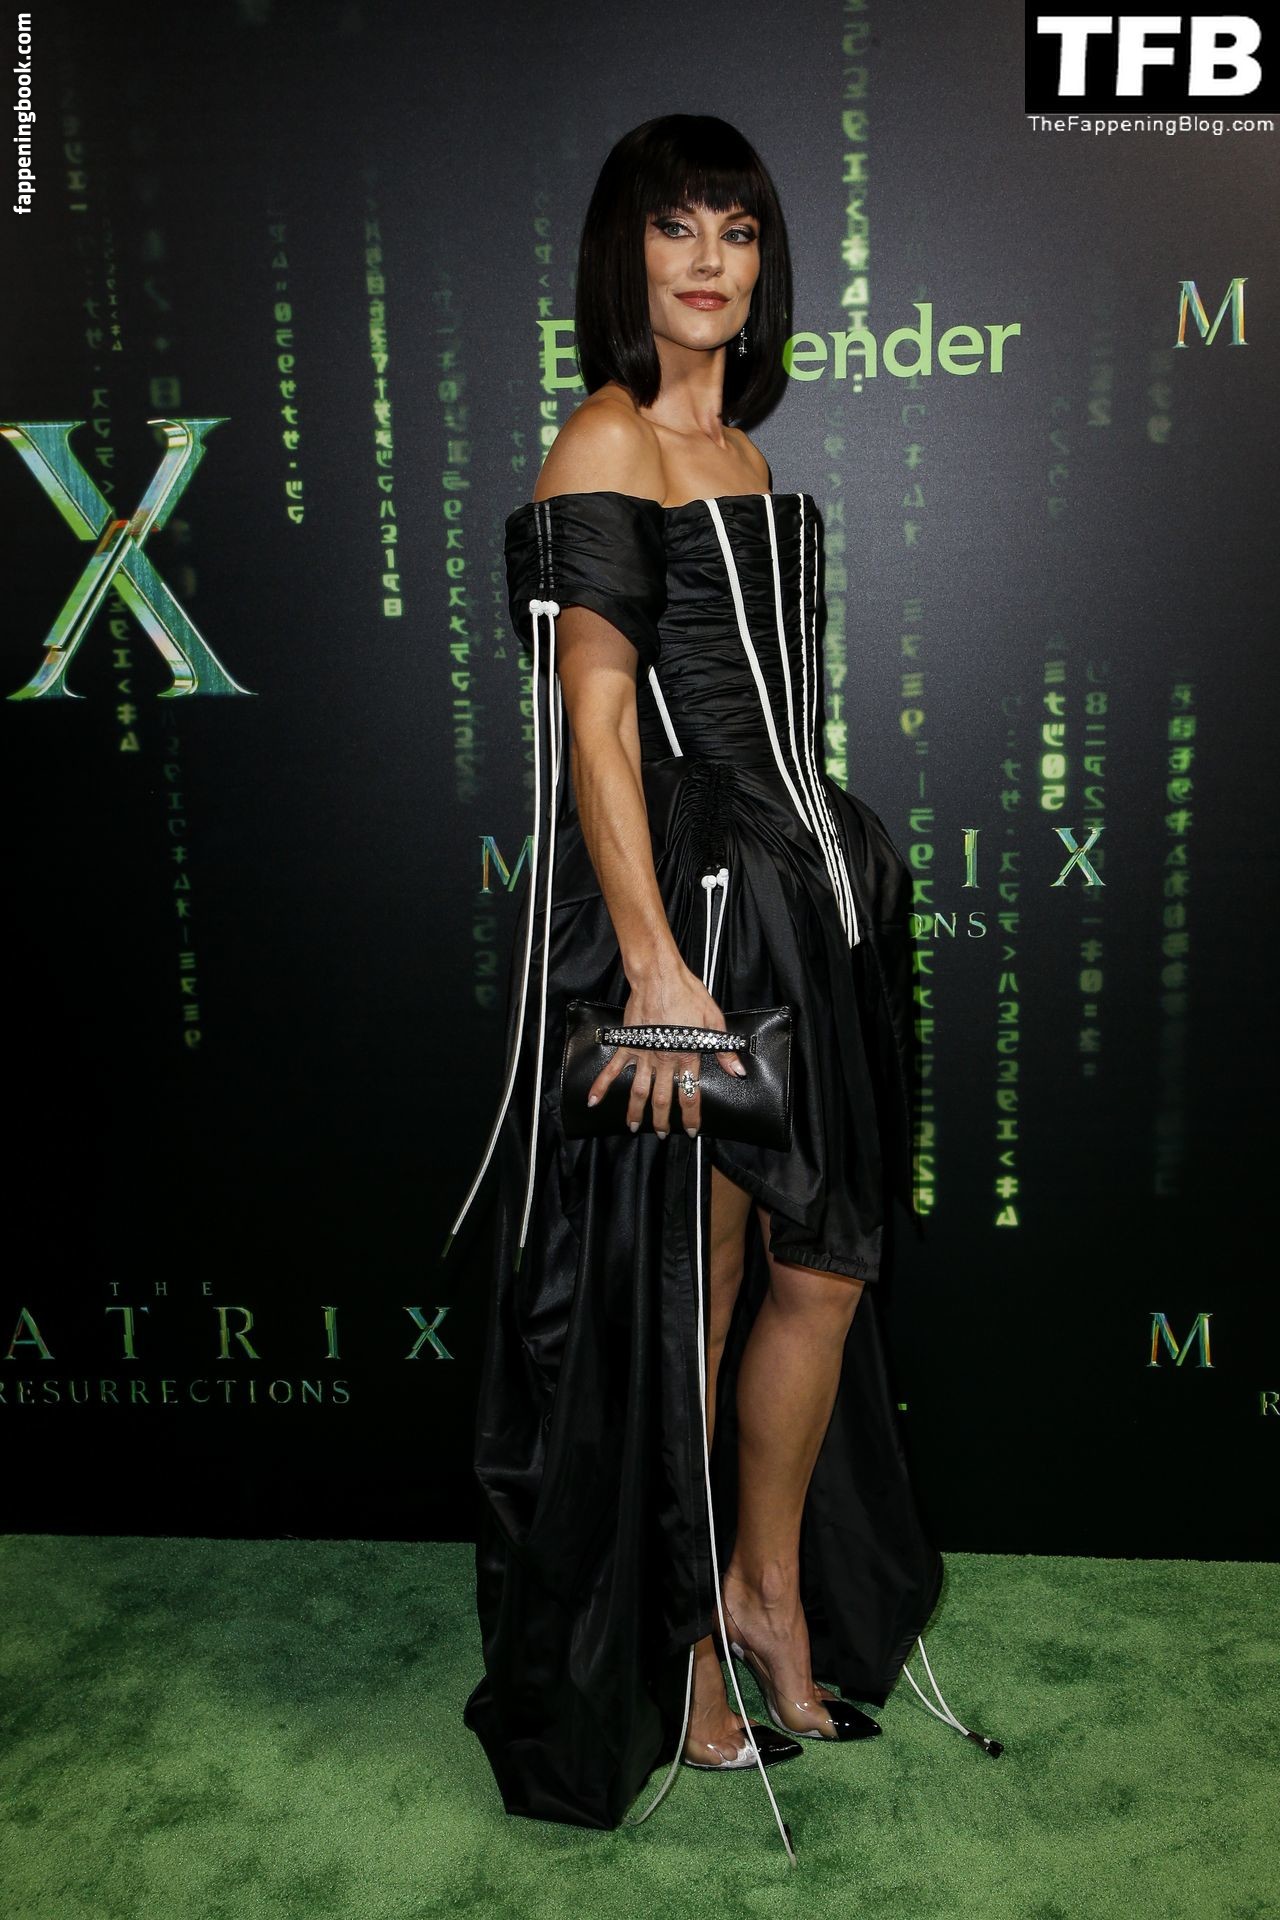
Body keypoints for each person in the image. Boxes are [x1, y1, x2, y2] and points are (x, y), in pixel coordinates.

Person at [442, 113, 996, 1865]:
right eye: (677, 227)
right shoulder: (604, 435)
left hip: (809, 896)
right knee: (701, 1279)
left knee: (825, 1261)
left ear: (766, 266)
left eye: (738, 230)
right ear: (628, 254)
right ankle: (685, 1635)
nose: (709, 260)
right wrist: (659, 966)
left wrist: (824, 897)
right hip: (693, 913)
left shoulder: (745, 452)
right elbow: (597, 725)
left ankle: (768, 1587)